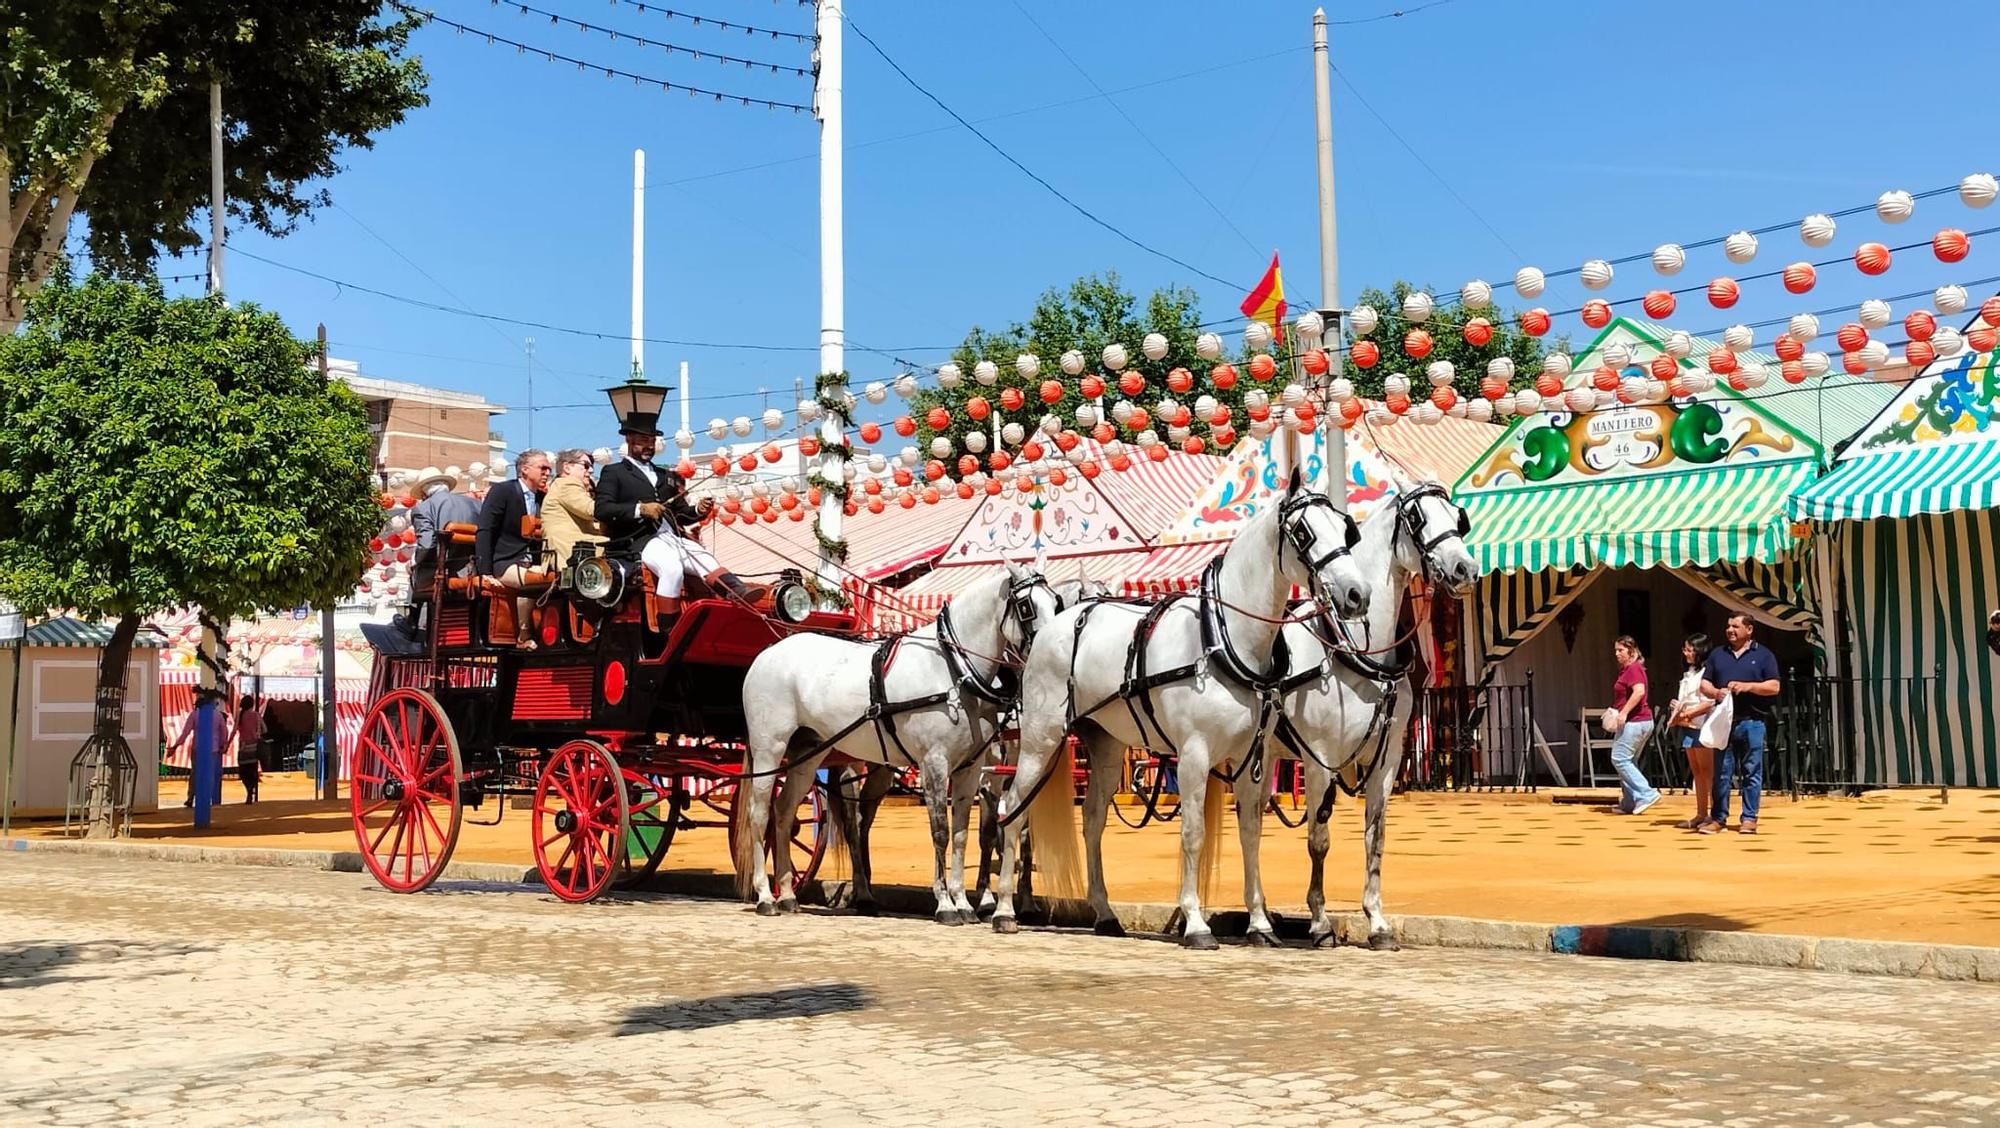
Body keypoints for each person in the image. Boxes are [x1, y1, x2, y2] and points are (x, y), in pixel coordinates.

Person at [594, 423, 762, 613]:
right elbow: (602, 509)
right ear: (629, 440)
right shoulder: (614, 472)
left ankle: (737, 592)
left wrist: (699, 509)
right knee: (671, 568)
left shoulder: (666, 476)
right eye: (643, 441)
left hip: (673, 538)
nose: (649, 446)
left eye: (652, 441)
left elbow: (681, 514)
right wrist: (641, 509)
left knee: (705, 558)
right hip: (640, 539)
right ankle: (668, 624)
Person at [1698, 613, 1782, 835]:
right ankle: (1718, 818)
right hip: (1725, 723)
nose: (1730, 630)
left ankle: (1749, 818)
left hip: (1752, 722)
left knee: (1752, 771)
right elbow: (1704, 684)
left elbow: (1774, 686)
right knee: (1722, 773)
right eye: (1728, 626)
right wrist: (1717, 692)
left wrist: (1749, 687)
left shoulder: (1763, 655)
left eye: (1735, 626)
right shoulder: (1718, 654)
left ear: (1749, 629)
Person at [475, 450, 553, 647]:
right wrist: (485, 571)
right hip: (506, 561)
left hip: (534, 561)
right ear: (524, 470)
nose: (547, 473)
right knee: (534, 579)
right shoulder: (503, 491)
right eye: (542, 468)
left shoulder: (543, 499)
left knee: (556, 578)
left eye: (549, 469)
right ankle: (523, 637)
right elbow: (486, 529)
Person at [1663, 634, 1717, 830]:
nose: (1686, 653)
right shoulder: (1689, 674)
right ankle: (1701, 813)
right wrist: (1677, 708)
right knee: (1697, 772)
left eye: (1690, 649)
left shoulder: (1706, 673)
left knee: (1707, 772)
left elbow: (1709, 701)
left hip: (1701, 725)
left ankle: (1714, 813)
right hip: (1687, 725)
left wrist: (1688, 713)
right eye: (1685, 649)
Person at [1605, 636, 1659, 816]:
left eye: (1621, 650)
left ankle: (1646, 793)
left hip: (1635, 721)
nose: (1617, 654)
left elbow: (1639, 691)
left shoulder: (1633, 669)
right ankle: (1629, 801)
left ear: (1632, 652)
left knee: (1619, 759)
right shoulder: (1628, 669)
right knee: (1630, 761)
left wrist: (1624, 712)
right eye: (1616, 650)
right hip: (1640, 721)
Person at [542, 448, 606, 569]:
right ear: (567, 468)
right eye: (586, 466)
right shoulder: (567, 484)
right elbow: (590, 510)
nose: (591, 470)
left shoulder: (562, 485)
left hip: (577, 544)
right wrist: (625, 510)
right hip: (568, 549)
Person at [171, 689, 234, 807]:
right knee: (210, 775)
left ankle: (191, 797)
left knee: (195, 774)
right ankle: (209, 798)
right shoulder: (218, 715)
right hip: (213, 750)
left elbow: (185, 733)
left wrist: (175, 746)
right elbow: (224, 732)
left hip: (197, 748)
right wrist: (223, 745)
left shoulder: (194, 714)